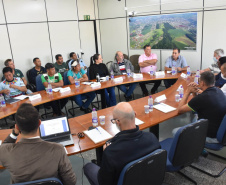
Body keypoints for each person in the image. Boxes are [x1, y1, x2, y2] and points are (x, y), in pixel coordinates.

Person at [84, 102, 160, 185]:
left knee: (88, 167)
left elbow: (104, 182)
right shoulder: (152, 138)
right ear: (135, 114)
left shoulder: (111, 152)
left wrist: (106, 152)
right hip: (147, 180)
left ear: (117, 122)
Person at [0, 103, 76, 184]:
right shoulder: (58, 149)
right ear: (40, 123)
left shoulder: (5, 151)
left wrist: (14, 134)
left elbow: (4, 145)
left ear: (17, 127)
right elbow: (71, 182)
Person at [178, 71, 226, 142]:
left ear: (202, 83)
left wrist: (187, 92)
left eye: (199, 81)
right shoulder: (219, 91)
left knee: (176, 132)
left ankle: (196, 146)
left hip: (211, 135)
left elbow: (180, 109)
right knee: (194, 118)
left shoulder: (203, 97)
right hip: (220, 130)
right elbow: (196, 104)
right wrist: (194, 92)